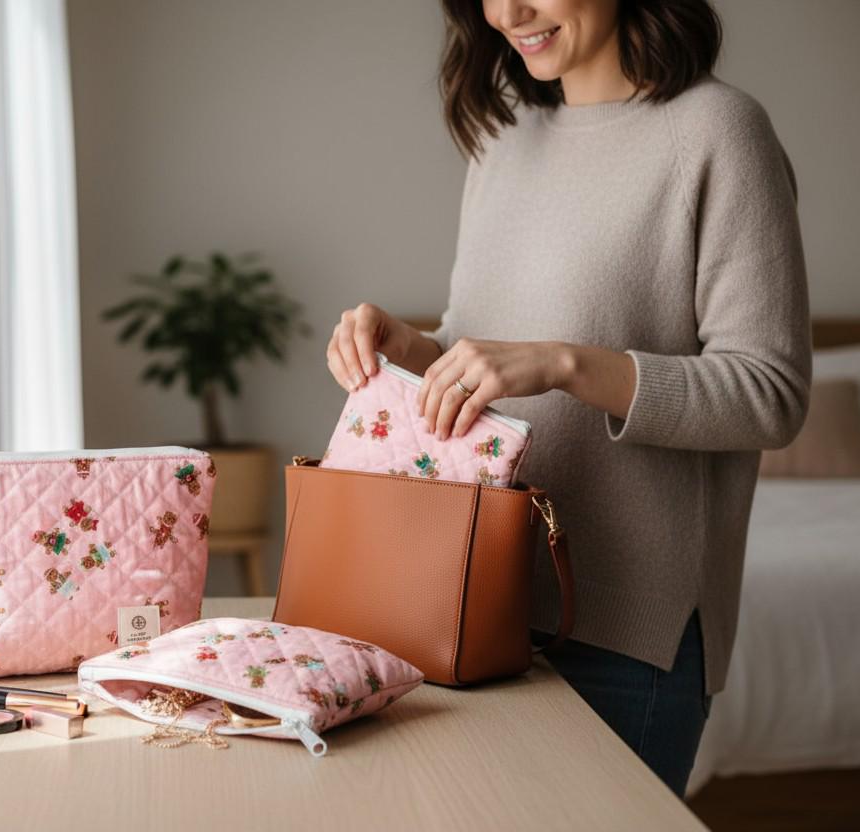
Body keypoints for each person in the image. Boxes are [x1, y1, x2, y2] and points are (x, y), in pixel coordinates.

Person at [324, 0, 811, 798]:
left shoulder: (719, 131)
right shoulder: (504, 138)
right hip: (472, 602)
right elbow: (479, 346)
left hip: (624, 633)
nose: (511, 12)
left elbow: (770, 392)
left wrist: (567, 365)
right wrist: (411, 350)